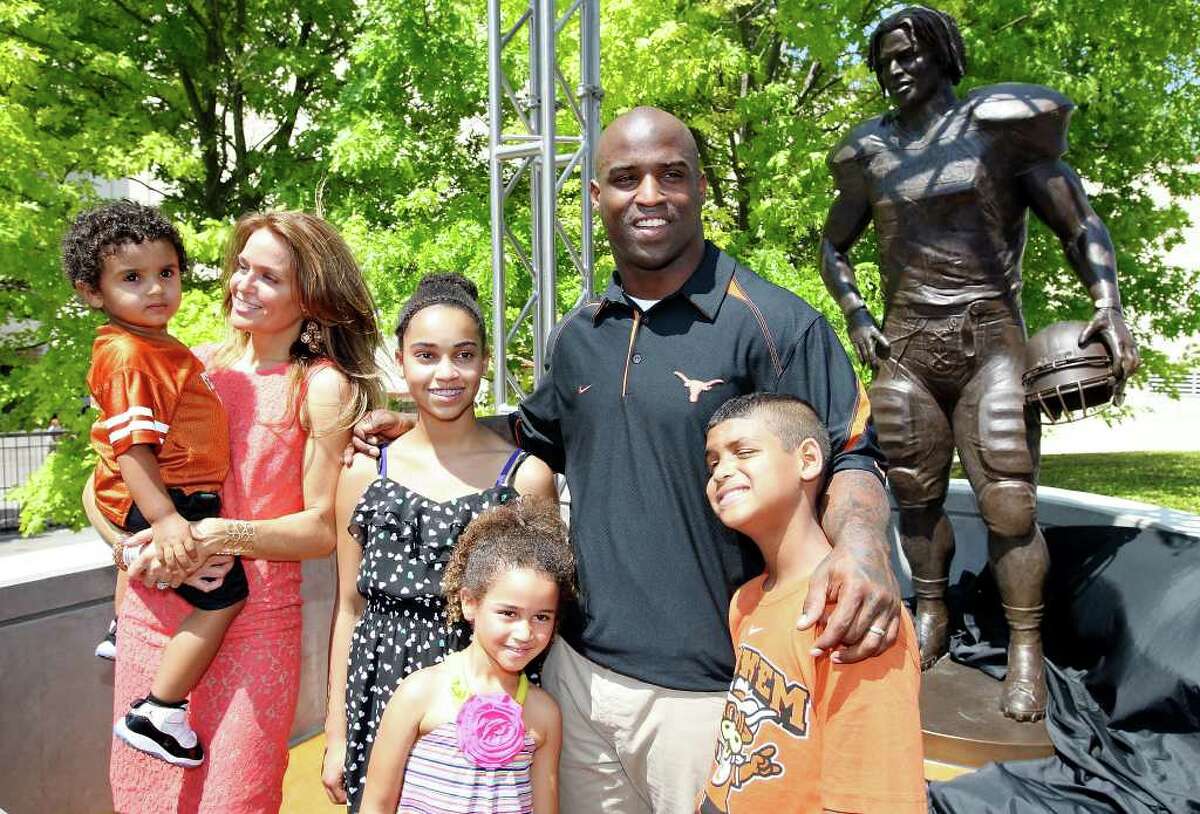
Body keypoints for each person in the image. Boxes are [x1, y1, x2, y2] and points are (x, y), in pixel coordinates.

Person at [353, 106, 899, 813]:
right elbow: (535, 430)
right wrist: (422, 425)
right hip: (579, 678)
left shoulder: (776, 323)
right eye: (625, 177)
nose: (649, 194)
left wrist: (863, 548)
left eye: (671, 174)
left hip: (710, 688)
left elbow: (855, 452)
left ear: (701, 188)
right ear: (595, 198)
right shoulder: (581, 335)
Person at [819, 6, 1139, 720]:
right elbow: (833, 245)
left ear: (942, 54)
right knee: (915, 492)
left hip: (989, 337)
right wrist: (858, 314)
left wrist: (1108, 301)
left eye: (908, 54)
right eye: (884, 60)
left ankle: (1024, 646)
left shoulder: (999, 128)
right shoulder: (868, 151)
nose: (896, 69)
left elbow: (1078, 220)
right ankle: (930, 613)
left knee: (1007, 500)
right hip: (906, 344)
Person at [84, 210, 383, 812]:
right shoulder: (189, 364)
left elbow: (321, 528)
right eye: (242, 267)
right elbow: (99, 488)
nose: (243, 284)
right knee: (148, 798)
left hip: (255, 626)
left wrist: (216, 535)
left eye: (269, 277)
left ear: (312, 296)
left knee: (234, 797)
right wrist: (137, 550)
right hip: (154, 615)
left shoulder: (320, 386)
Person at [323, 273, 557, 810]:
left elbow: (542, 609)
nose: (445, 372)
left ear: (485, 362)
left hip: (487, 694)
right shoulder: (362, 472)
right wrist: (336, 733)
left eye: (463, 354)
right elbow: (349, 608)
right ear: (401, 363)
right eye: (426, 355)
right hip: (378, 686)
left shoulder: (525, 480)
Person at [65, 200, 247, 767]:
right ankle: (160, 711)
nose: (156, 290)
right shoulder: (129, 353)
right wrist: (168, 521)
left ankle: (123, 625)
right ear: (92, 292)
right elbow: (133, 449)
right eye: (132, 278)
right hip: (168, 502)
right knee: (224, 599)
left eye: (166, 273)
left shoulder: (156, 346)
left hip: (169, 499)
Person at [697, 393, 925, 813]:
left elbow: (870, 799)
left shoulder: (854, 608)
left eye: (743, 452)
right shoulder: (745, 602)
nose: (722, 473)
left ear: (807, 460)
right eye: (712, 463)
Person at [357, 496, 572, 814]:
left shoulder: (544, 714)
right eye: (508, 613)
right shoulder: (420, 692)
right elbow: (376, 804)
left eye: (542, 616)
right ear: (470, 602)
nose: (525, 633)